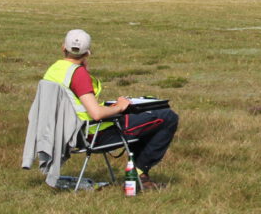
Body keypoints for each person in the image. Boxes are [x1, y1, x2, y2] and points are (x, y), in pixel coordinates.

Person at [42, 29, 179, 191]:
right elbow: (96, 114)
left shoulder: (54, 70)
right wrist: (120, 106)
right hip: (92, 133)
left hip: (64, 131)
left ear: (63, 47)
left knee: (141, 116)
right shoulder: (78, 75)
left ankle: (138, 173)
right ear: (88, 52)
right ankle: (139, 173)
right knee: (167, 117)